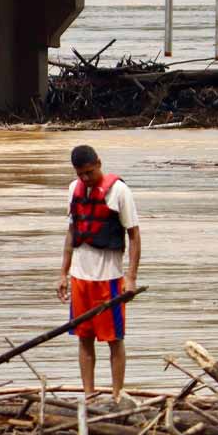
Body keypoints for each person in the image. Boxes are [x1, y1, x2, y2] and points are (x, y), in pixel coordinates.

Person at [57, 145, 140, 403]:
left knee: (114, 339)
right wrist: (63, 273)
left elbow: (134, 236)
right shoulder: (74, 189)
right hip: (81, 278)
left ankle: (117, 395)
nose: (85, 178)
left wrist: (131, 277)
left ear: (99, 163)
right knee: (84, 337)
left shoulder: (119, 191)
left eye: (89, 173)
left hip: (110, 279)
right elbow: (72, 232)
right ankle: (89, 395)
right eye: (80, 174)